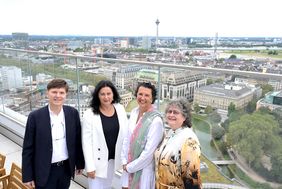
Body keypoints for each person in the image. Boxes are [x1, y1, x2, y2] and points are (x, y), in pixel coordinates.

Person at [22, 78, 85, 189]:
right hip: (44, 169)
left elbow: (77, 141)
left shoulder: (72, 113)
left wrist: (80, 163)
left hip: (65, 169)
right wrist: (27, 176)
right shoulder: (35, 117)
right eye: (54, 92)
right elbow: (28, 148)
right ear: (47, 93)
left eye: (61, 92)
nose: (58, 95)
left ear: (66, 95)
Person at [81, 80, 128, 189]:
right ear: (97, 95)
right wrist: (90, 167)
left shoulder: (120, 109)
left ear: (113, 94)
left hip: (113, 159)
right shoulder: (90, 114)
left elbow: (125, 135)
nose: (106, 97)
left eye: (108, 94)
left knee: (107, 186)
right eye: (102, 94)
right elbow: (86, 143)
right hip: (96, 161)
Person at [121, 82, 164, 189]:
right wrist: (124, 161)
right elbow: (126, 139)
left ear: (152, 99)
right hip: (128, 166)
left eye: (147, 95)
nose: (142, 98)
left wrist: (129, 167)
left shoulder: (156, 121)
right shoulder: (134, 112)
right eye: (140, 94)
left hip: (143, 172)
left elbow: (148, 154)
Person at [155, 99, 202, 189]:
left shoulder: (189, 140)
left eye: (176, 112)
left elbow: (192, 180)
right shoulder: (171, 133)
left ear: (184, 117)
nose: (171, 114)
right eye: (169, 111)